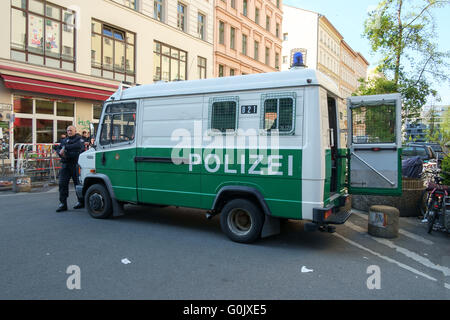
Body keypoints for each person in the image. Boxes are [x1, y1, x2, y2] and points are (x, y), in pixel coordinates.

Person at [55, 126, 85, 212]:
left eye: (71, 130)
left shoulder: (79, 139)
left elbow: (78, 146)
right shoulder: (64, 140)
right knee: (62, 184)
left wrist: (65, 148)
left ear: (75, 131)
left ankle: (81, 201)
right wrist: (61, 153)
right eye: (68, 130)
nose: (69, 132)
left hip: (75, 164)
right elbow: (58, 149)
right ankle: (63, 203)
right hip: (65, 164)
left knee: (77, 183)